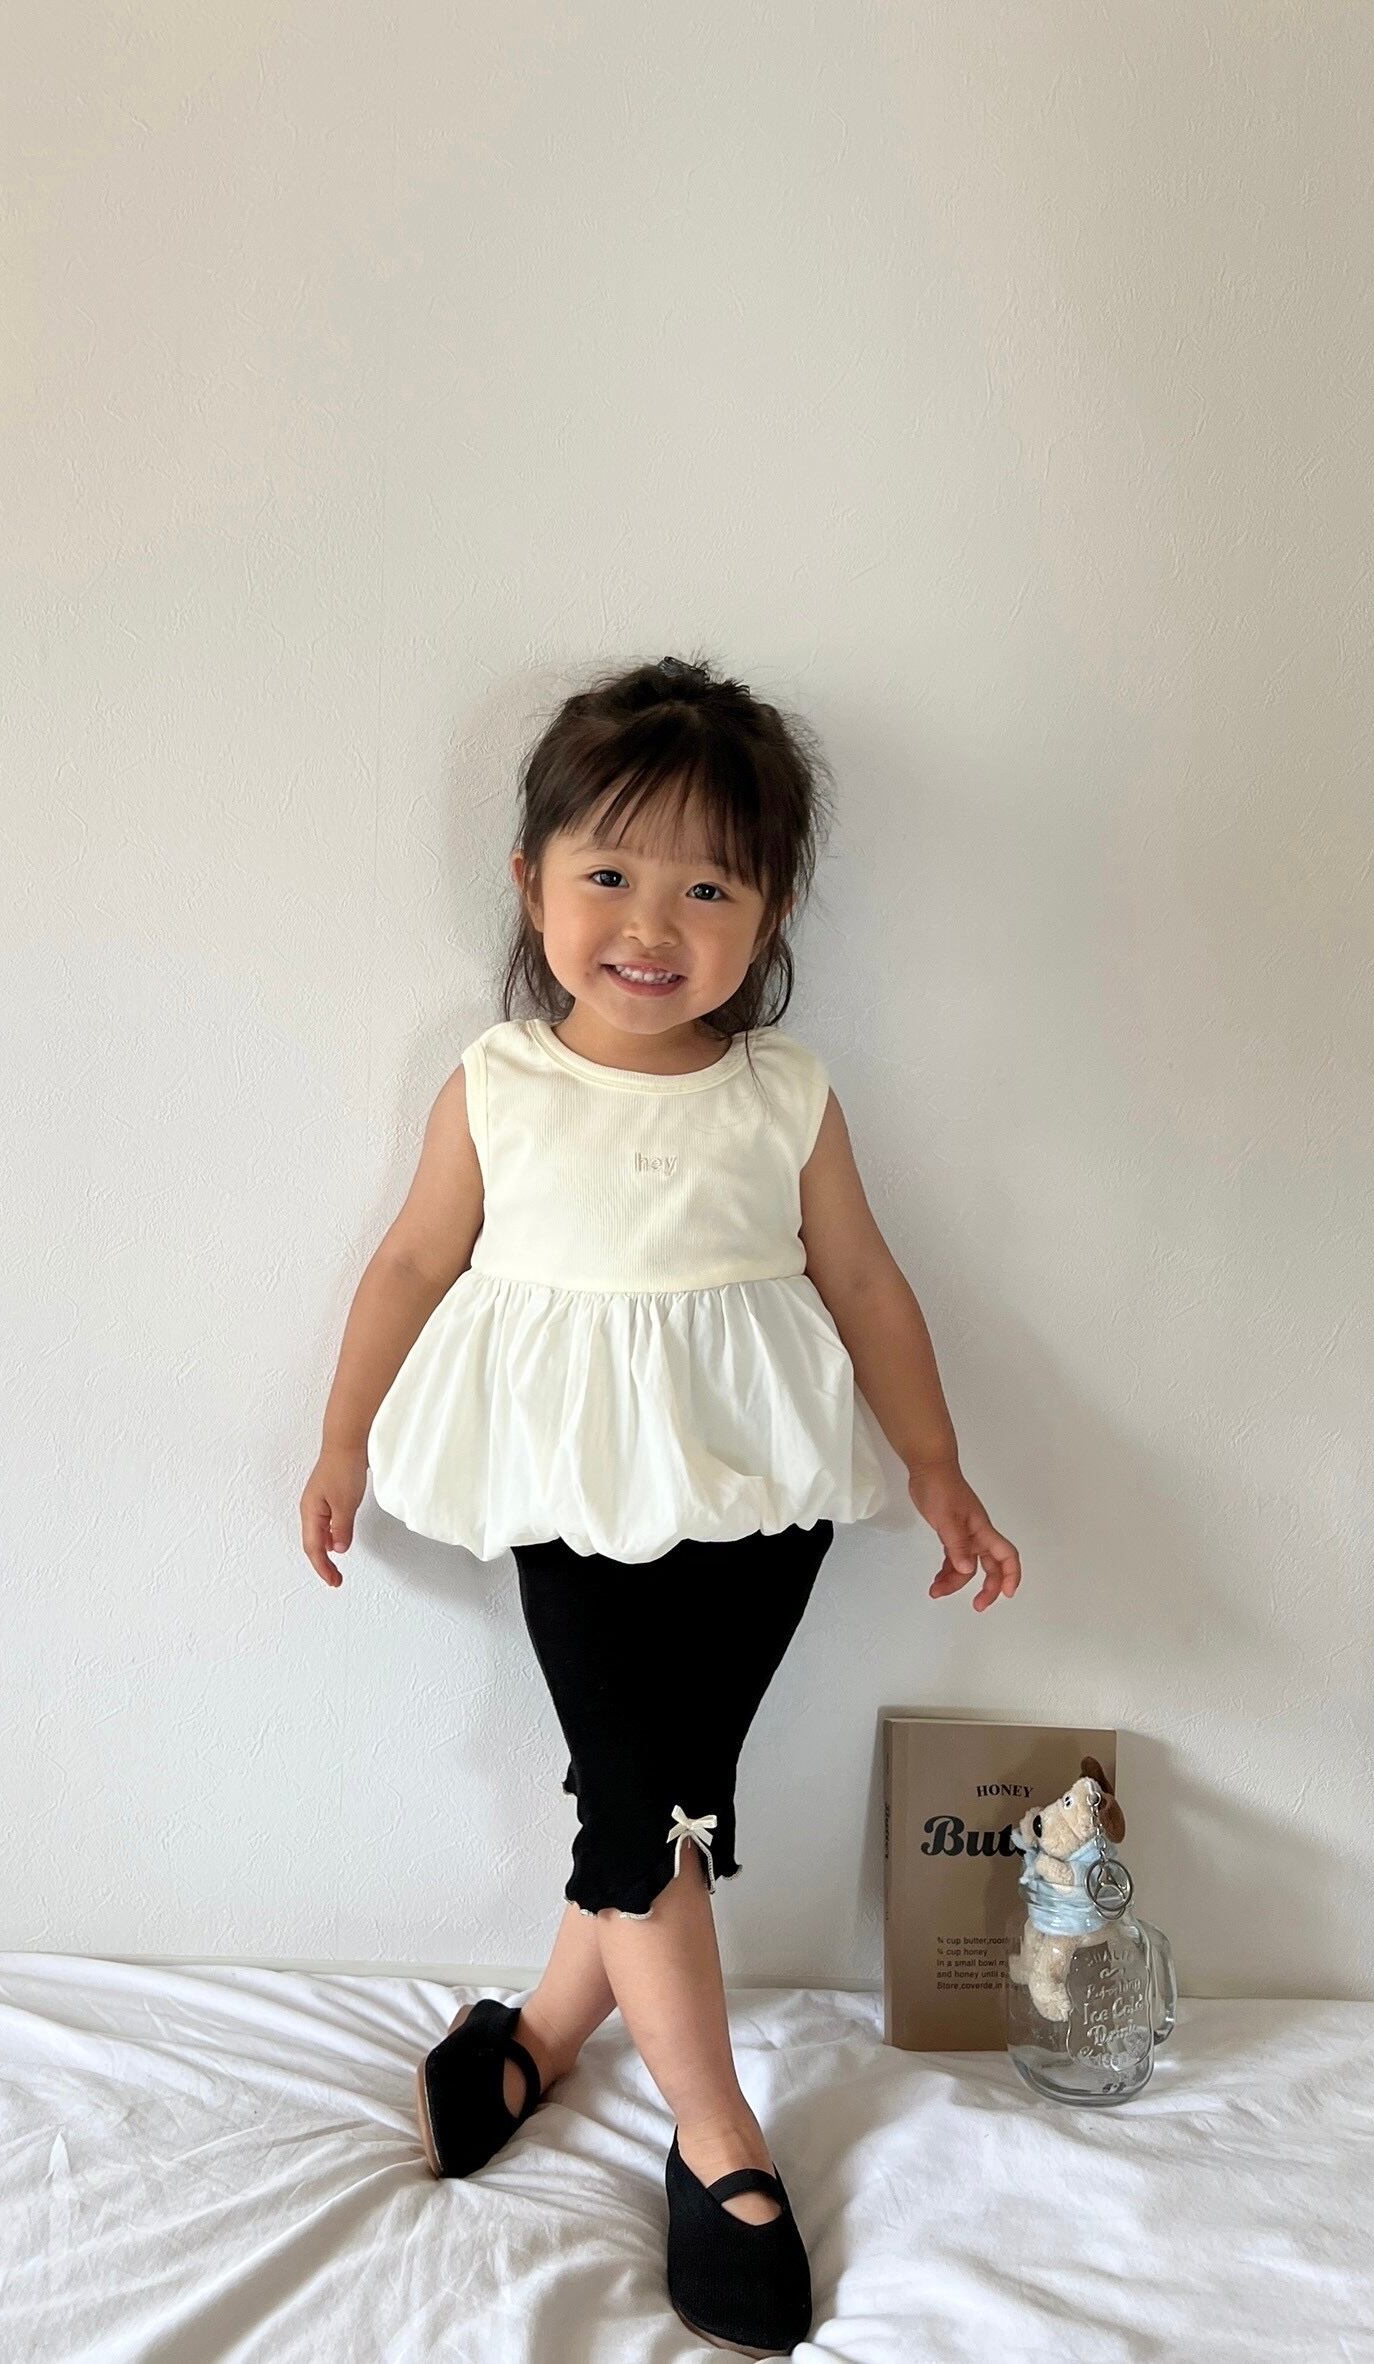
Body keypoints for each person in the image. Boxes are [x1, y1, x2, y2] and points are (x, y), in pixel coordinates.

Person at [300, 653, 1022, 2356]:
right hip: (571, 1494)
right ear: (531, 883)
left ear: (768, 912)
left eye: (708, 886)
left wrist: (935, 1465)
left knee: (665, 1798)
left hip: (760, 1499)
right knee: (640, 1802)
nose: (651, 922)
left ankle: (549, 2034)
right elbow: (409, 1262)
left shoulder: (785, 1094)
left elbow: (864, 1281)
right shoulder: (497, 1082)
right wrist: (341, 1440)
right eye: (610, 873)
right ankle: (717, 2140)